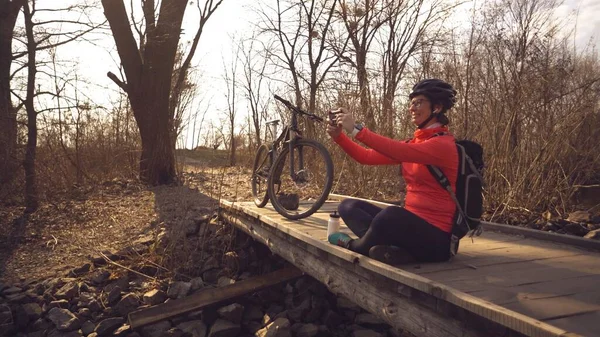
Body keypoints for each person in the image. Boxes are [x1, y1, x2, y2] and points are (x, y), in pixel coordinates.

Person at [326, 78, 459, 264]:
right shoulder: (415, 143)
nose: (412, 108)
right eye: (411, 103)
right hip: (408, 228)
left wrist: (357, 130)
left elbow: (397, 150)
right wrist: (339, 137)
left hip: (437, 241)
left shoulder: (442, 145)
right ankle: (391, 250)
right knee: (348, 206)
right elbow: (366, 157)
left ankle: (355, 246)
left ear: (436, 108)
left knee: (391, 216)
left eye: (419, 102)